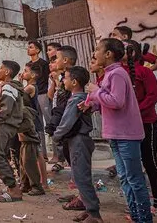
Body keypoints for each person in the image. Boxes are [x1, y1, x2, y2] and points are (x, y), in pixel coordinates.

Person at [83, 38, 152, 223]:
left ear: (108, 54)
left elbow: (117, 101)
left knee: (135, 180)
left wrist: (96, 92)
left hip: (126, 135)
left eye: (97, 49)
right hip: (115, 134)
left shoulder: (117, 74)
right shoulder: (108, 74)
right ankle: (136, 216)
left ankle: (144, 219)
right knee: (125, 179)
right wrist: (92, 105)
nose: (94, 53)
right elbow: (107, 101)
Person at [124, 40, 157, 217]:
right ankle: (138, 203)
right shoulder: (118, 73)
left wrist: (135, 112)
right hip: (127, 125)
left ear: (132, 53)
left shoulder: (144, 72)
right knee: (132, 165)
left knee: (149, 161)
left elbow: (151, 97)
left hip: (146, 122)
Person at [54, 66, 102, 223]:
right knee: (79, 176)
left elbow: (66, 122)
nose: (63, 80)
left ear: (74, 82)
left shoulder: (76, 99)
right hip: (78, 140)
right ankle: (89, 210)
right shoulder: (80, 97)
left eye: (66, 78)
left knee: (82, 177)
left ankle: (94, 214)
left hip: (79, 140)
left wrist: (56, 135)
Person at [0, 60, 25, 203]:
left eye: (1, 68)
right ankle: (12, 187)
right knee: (2, 155)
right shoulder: (10, 87)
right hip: (8, 125)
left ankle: (14, 189)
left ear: (8, 72)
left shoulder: (9, 88)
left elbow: (5, 110)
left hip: (5, 125)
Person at [21, 63, 47, 190]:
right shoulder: (29, 86)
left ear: (33, 75)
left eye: (25, 71)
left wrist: (18, 83)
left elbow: (18, 95)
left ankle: (43, 183)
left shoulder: (30, 87)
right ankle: (41, 182)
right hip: (31, 121)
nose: (23, 73)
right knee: (36, 153)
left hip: (32, 122)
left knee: (37, 154)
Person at [27, 41, 51, 161]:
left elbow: (47, 79)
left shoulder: (43, 64)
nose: (28, 49)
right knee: (38, 124)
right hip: (34, 94)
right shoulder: (28, 64)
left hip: (43, 93)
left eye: (31, 47)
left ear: (37, 50)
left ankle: (58, 154)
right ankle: (43, 154)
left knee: (49, 122)